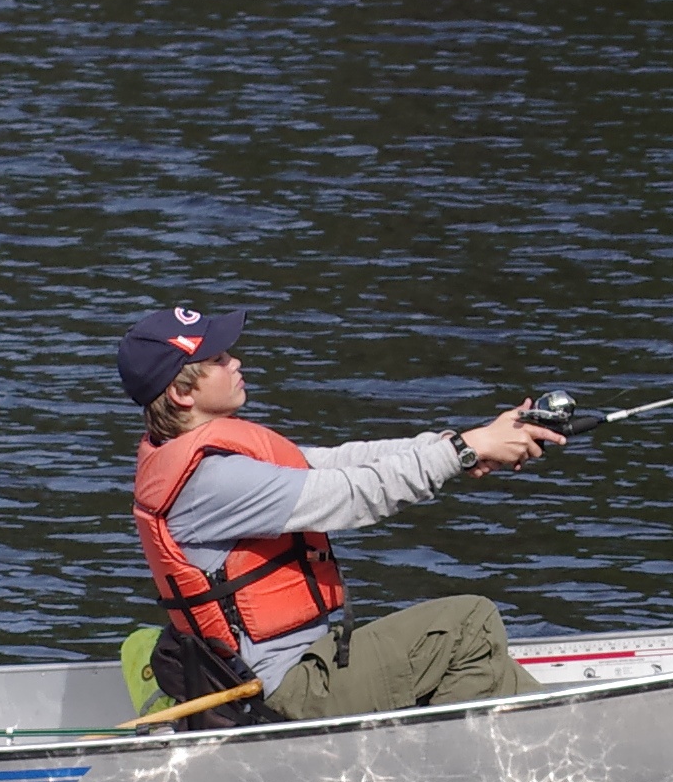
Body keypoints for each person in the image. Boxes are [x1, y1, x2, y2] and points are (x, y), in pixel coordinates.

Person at [118, 303, 566, 721]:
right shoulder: (215, 482)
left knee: (469, 656)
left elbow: (338, 461)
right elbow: (356, 492)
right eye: (218, 359)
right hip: (286, 689)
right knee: (470, 624)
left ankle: (538, 734)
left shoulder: (196, 458)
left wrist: (463, 443)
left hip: (281, 668)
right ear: (181, 392)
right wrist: (464, 453)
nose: (236, 362)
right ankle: (519, 750)